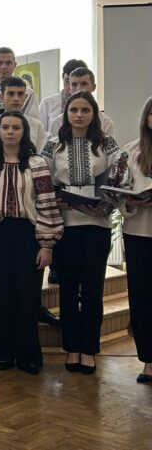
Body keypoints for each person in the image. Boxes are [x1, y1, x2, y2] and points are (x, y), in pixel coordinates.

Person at [0, 111, 63, 374]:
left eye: (16, 128)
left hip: (28, 234)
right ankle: (1, 352)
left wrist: (47, 244)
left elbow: (46, 203)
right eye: (5, 127)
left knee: (28, 296)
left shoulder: (37, 163)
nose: (10, 132)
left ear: (24, 132)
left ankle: (28, 354)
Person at [41, 92, 121, 375]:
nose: (79, 115)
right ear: (66, 113)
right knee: (67, 289)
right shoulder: (54, 144)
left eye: (85, 110)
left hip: (97, 226)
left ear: (93, 114)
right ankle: (72, 348)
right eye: (74, 110)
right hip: (66, 227)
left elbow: (119, 178)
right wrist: (56, 198)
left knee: (92, 290)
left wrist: (105, 207)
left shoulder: (107, 144)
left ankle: (89, 350)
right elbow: (43, 180)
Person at [106, 97, 152, 383]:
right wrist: (131, 202)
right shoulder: (130, 151)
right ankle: (148, 362)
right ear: (146, 118)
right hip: (139, 234)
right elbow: (115, 190)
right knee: (142, 298)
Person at [0, 77, 49, 158]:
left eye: (20, 94)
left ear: (25, 97)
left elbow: (42, 156)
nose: (16, 99)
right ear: (1, 97)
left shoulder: (37, 125)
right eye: (10, 94)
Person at [47, 68, 116, 137]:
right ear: (70, 88)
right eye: (74, 84)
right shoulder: (58, 123)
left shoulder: (107, 124)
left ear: (94, 87)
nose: (79, 88)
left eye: (84, 84)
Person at [38, 59, 87, 131]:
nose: (71, 87)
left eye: (78, 83)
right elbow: (40, 133)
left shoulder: (90, 105)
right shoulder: (47, 103)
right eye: (68, 81)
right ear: (62, 77)